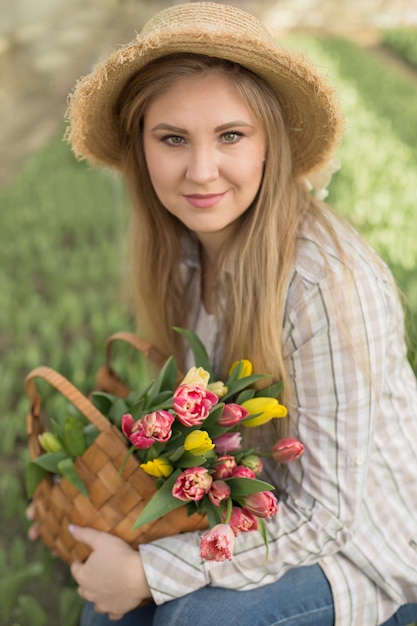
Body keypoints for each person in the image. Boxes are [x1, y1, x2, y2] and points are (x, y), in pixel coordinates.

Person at [32, 2, 417, 625]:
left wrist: (149, 572)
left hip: (367, 550)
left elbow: (324, 517)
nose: (201, 171)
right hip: (251, 518)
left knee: (193, 619)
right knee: (105, 605)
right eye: (173, 139)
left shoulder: (325, 283)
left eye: (231, 136)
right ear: (141, 147)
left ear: (271, 144)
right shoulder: (180, 252)